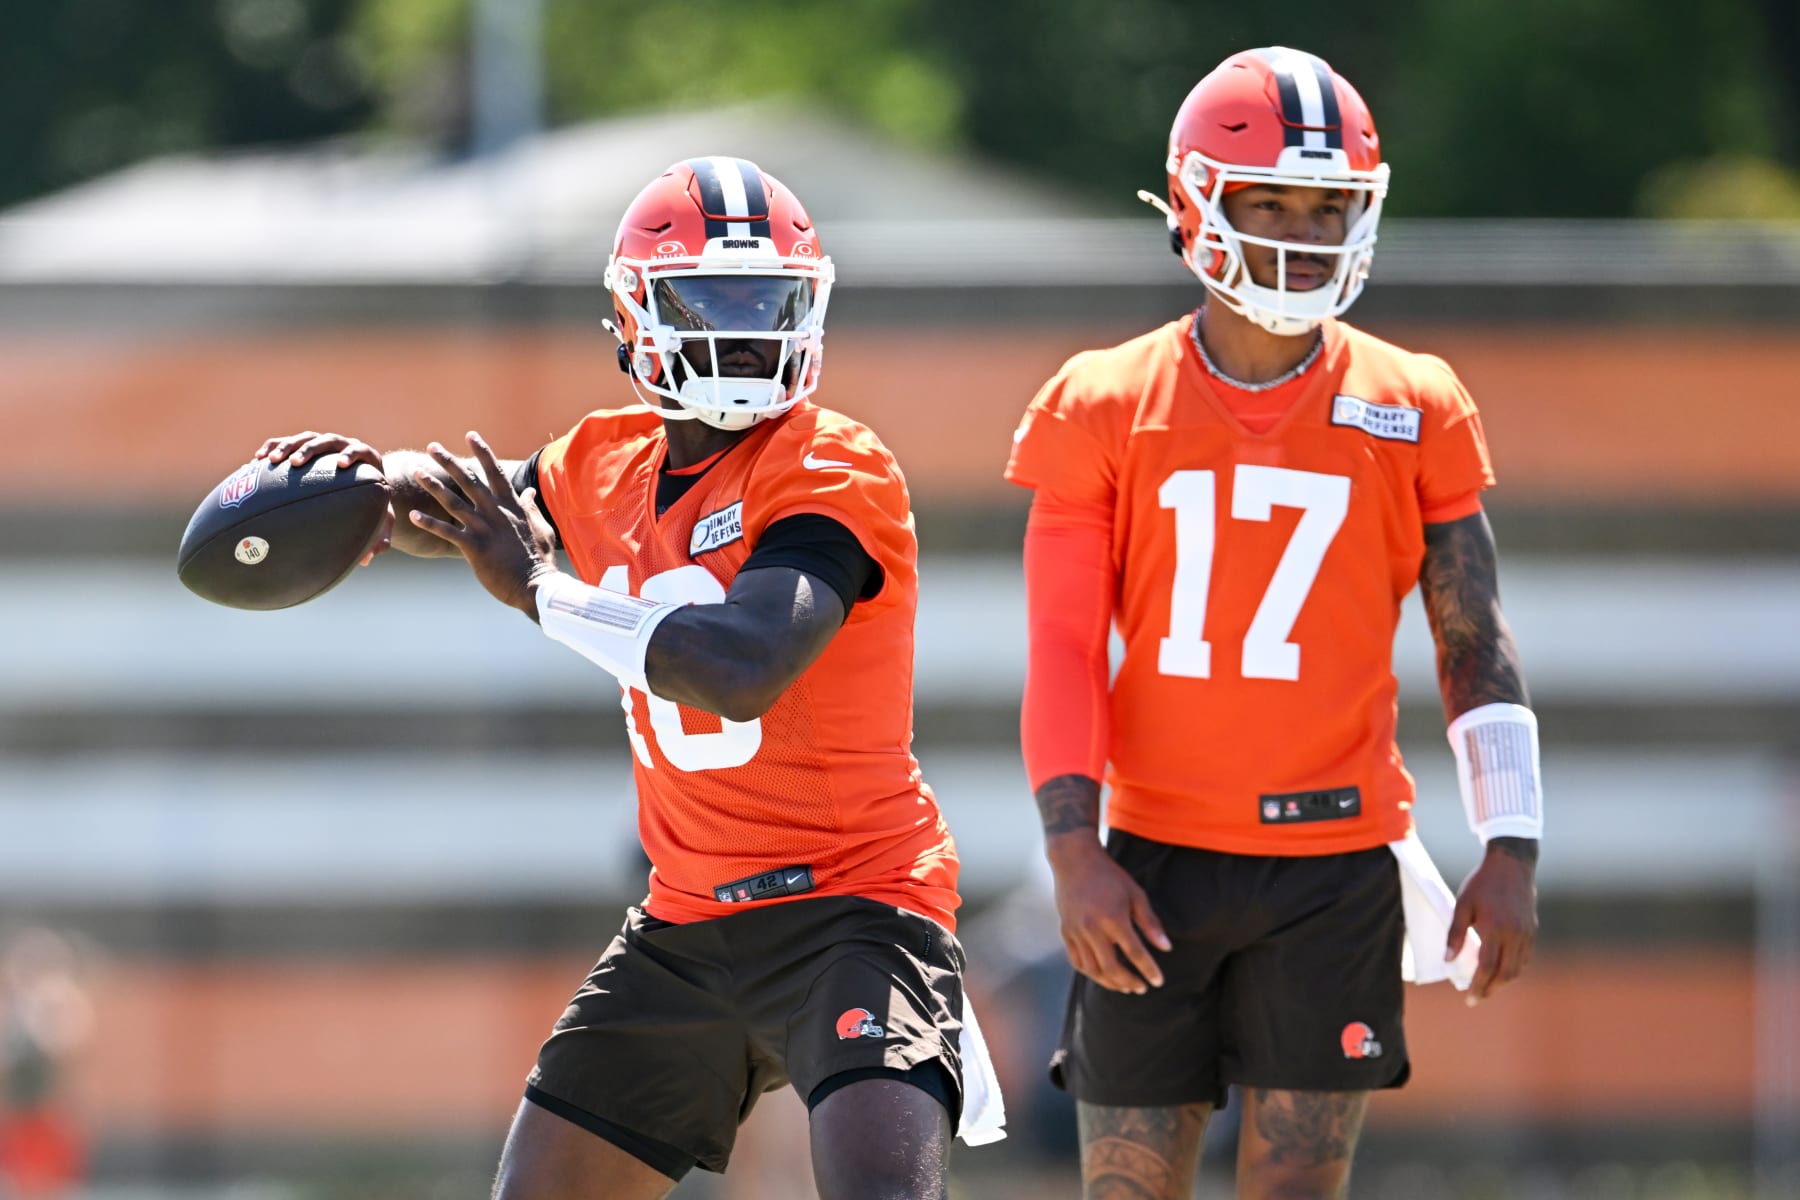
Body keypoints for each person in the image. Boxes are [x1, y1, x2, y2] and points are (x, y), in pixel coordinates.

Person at [253, 157, 1001, 1200]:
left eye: (770, 300)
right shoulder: (596, 463)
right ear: (635, 315)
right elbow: (474, 510)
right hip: (688, 922)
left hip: (855, 906)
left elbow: (743, 667)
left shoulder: (831, 463)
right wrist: (366, 486)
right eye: (715, 298)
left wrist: (544, 593)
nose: (747, 327)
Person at [1004, 48, 1542, 1200]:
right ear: (1199, 202)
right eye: (1270, 203)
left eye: (1326, 206)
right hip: (1154, 860)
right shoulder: (1103, 398)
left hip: (1336, 858)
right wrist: (1070, 850)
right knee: (1131, 1187)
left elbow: (1474, 640)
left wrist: (1512, 842)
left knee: (1299, 1188)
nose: (1301, 231)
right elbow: (1061, 648)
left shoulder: (1416, 399)